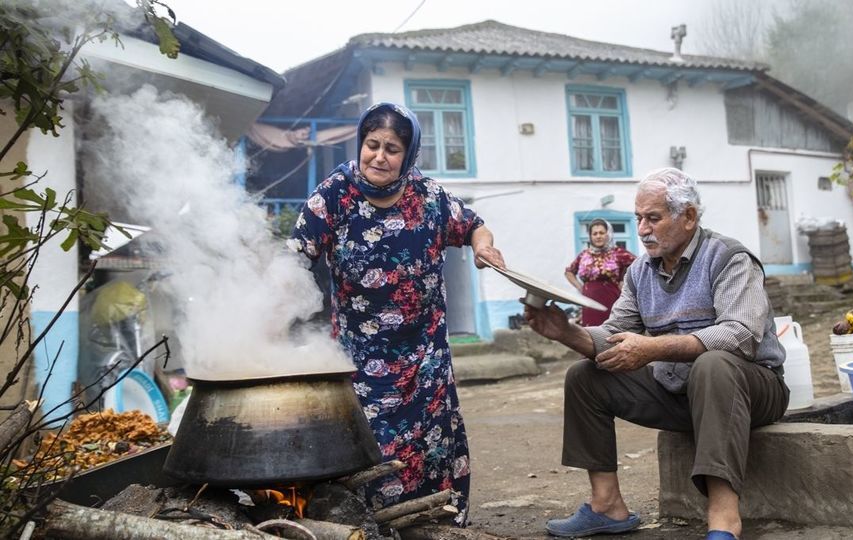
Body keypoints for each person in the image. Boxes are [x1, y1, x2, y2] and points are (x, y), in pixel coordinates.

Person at [524, 167, 788, 539]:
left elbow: (740, 334)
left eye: (654, 218)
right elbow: (616, 335)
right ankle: (607, 506)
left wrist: (654, 348)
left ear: (689, 217)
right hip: (682, 392)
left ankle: (724, 517)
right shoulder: (640, 271)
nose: (643, 229)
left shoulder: (728, 257)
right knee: (585, 377)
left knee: (712, 364)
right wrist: (565, 332)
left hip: (751, 390)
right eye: (638, 219)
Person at [289, 102, 504, 526]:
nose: (379, 157)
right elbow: (295, 256)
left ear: (409, 156)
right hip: (361, 361)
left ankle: (436, 527)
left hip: (426, 356)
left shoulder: (429, 197)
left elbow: (475, 224)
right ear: (360, 144)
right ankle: (373, 530)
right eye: (372, 145)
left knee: (432, 449)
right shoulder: (334, 195)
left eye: (392, 148)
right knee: (373, 455)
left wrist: (482, 246)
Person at [564, 219, 636, 325]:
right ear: (590, 236)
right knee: (589, 335)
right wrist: (580, 287)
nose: (598, 236)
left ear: (608, 234)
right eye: (595, 233)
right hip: (588, 302)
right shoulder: (584, 254)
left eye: (602, 233)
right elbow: (569, 272)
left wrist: (624, 283)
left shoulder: (618, 253)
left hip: (611, 301)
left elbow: (639, 266)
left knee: (610, 333)